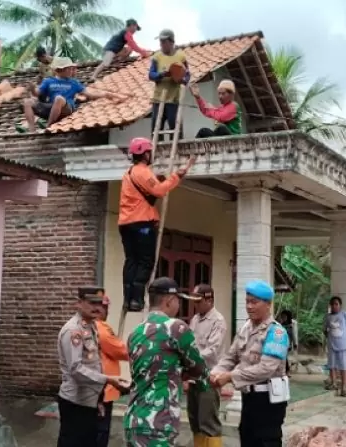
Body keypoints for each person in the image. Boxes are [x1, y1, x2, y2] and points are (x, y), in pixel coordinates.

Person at [125, 277, 208, 446]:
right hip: (159, 422)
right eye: (178, 300)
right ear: (169, 300)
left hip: (134, 419)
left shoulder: (135, 332)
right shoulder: (175, 327)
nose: (179, 305)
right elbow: (198, 368)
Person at [118, 137, 196, 312]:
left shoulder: (129, 173)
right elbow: (159, 191)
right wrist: (177, 176)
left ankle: (128, 299)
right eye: (149, 152)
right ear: (145, 154)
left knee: (131, 261)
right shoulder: (142, 171)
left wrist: (158, 179)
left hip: (125, 223)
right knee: (145, 261)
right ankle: (137, 300)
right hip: (142, 223)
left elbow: (148, 190)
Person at [210, 280, 290, 446]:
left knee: (266, 440)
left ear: (268, 304)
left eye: (254, 302)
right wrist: (215, 372)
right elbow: (231, 357)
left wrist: (230, 376)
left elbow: (265, 369)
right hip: (249, 396)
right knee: (247, 436)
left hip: (269, 400)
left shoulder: (276, 333)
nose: (249, 306)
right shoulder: (245, 328)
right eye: (247, 301)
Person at [56, 287, 129, 446]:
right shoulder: (74, 330)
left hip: (91, 400)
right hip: (76, 402)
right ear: (79, 303)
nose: (97, 307)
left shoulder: (92, 326)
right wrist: (108, 379)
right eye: (91, 303)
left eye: (99, 303)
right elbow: (75, 369)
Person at [20, 57, 126, 133]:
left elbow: (90, 94)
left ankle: (48, 127)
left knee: (59, 99)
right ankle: (32, 131)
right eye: (68, 69)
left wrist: (109, 95)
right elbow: (37, 93)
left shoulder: (74, 83)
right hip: (51, 108)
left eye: (71, 68)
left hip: (66, 108)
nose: (71, 71)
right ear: (59, 70)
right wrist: (33, 88)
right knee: (27, 102)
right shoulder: (48, 81)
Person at [186, 284, 227, 447]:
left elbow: (212, 349)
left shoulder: (218, 321)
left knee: (208, 422)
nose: (195, 304)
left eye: (198, 301)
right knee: (194, 420)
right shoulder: (195, 319)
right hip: (194, 377)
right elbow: (189, 342)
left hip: (209, 377)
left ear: (209, 300)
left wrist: (189, 358)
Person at [95, 294, 129, 447]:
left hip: (102, 388)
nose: (107, 311)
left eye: (107, 308)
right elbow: (121, 351)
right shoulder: (101, 330)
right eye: (105, 307)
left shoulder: (95, 326)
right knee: (100, 432)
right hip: (102, 391)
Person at [149, 29, 189, 140]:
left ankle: (177, 153)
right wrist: (162, 75)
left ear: (171, 42)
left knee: (176, 130)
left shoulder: (181, 57)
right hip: (158, 99)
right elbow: (151, 75)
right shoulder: (156, 57)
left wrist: (182, 80)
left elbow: (187, 75)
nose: (161, 44)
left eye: (163, 42)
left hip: (174, 99)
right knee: (155, 131)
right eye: (160, 42)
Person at [323, 296, 346, 396]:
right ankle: (333, 383)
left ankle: (344, 387)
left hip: (343, 345)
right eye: (332, 304)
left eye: (336, 304)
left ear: (340, 305)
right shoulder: (327, 317)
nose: (334, 306)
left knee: (343, 365)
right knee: (332, 364)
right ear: (330, 305)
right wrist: (330, 338)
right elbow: (325, 330)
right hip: (332, 344)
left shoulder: (345, 315)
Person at [277, 310, 298, 376]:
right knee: (282, 357)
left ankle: (286, 371)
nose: (283, 317)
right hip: (280, 343)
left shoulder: (292, 324)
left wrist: (295, 343)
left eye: (284, 316)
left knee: (284, 357)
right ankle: (284, 371)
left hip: (287, 344)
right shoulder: (279, 324)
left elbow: (294, 334)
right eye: (282, 316)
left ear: (288, 317)